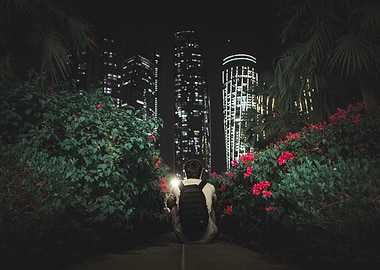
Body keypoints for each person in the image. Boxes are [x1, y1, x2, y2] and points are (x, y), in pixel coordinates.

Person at [167, 159, 218, 244]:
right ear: (201, 173)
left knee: (173, 204)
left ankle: (179, 228)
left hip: (183, 236)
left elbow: (169, 204)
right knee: (212, 204)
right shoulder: (210, 187)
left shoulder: (177, 187)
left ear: (185, 173)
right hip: (207, 236)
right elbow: (216, 204)